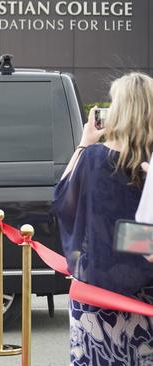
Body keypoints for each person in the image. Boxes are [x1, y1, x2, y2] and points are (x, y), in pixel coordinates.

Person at [52, 72, 153, 366]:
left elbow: (61, 199)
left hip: (98, 295)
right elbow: (133, 236)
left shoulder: (93, 158)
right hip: (147, 296)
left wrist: (84, 142)